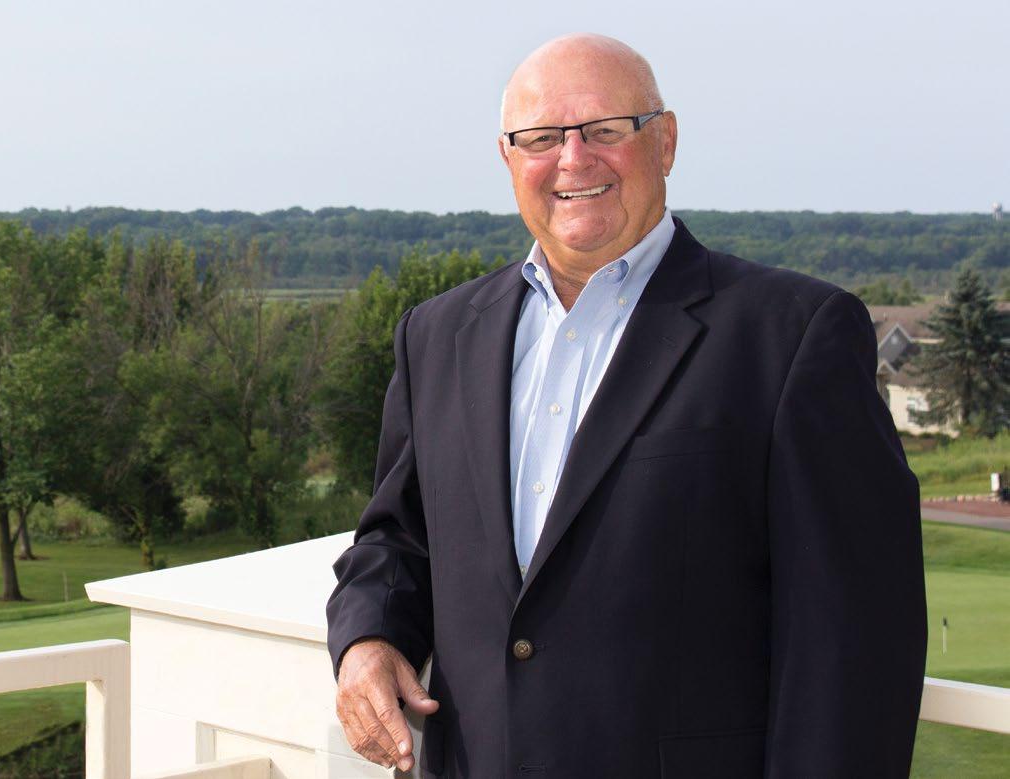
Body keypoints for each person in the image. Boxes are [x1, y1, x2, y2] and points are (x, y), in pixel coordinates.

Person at [326, 33, 927, 778]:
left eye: (605, 129)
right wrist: (368, 639)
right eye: (542, 138)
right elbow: (398, 540)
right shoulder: (438, 335)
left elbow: (854, 640)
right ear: (508, 158)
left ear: (665, 142)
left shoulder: (793, 336)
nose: (573, 159)